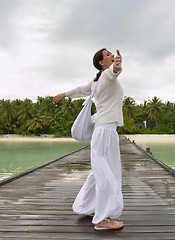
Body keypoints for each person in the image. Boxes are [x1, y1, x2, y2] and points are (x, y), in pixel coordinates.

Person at [53, 48, 125, 230]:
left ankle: (86, 206)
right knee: (107, 174)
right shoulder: (107, 76)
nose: (111, 56)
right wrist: (116, 67)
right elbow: (113, 73)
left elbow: (80, 90)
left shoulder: (97, 81)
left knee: (98, 173)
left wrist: (64, 94)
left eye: (111, 54)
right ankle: (102, 219)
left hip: (103, 131)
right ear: (102, 62)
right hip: (106, 132)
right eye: (107, 55)